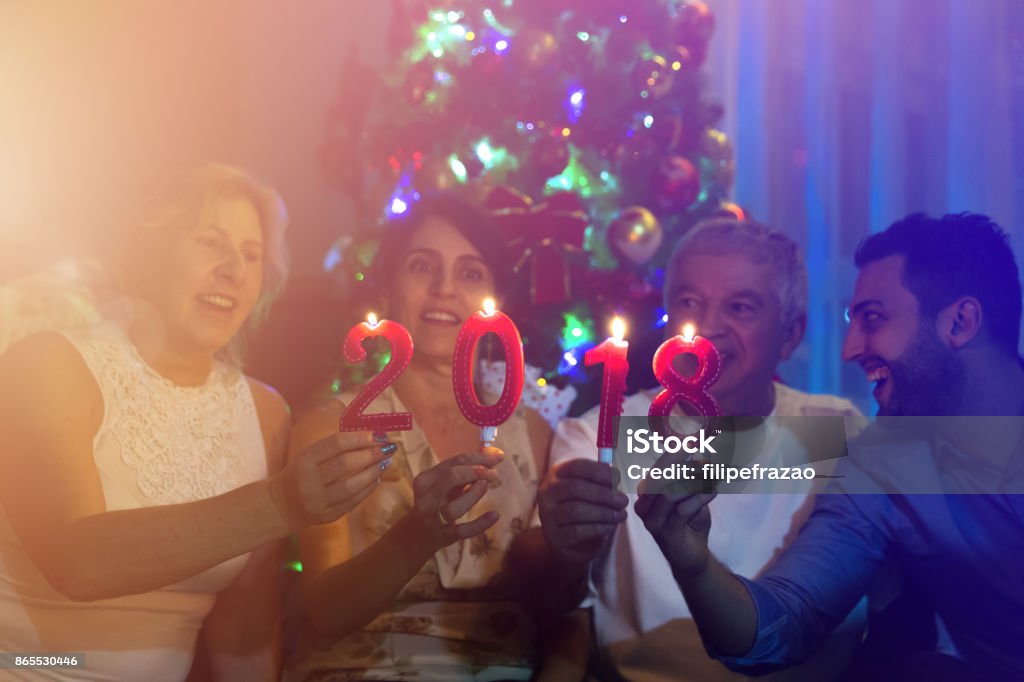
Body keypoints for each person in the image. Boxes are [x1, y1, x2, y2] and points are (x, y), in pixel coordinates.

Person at [0, 163, 392, 681]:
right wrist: (280, 503)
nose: (233, 269)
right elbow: (79, 560)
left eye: (251, 255)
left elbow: (242, 635)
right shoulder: (49, 364)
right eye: (211, 242)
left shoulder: (265, 412)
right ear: (151, 250)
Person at [636, 213, 1024, 680]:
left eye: (872, 318)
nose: (849, 348)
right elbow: (784, 623)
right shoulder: (881, 464)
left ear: (960, 322)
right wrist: (691, 560)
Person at [540, 218, 865, 681]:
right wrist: (562, 549)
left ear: (790, 334)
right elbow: (559, 606)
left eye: (741, 307)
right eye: (690, 302)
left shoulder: (838, 434)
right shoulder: (598, 438)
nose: (707, 327)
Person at [285, 195, 559, 682]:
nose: (445, 289)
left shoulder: (534, 434)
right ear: (388, 290)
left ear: (498, 303)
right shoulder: (333, 428)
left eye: (470, 273)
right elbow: (326, 610)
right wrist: (415, 536)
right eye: (422, 266)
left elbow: (564, 606)